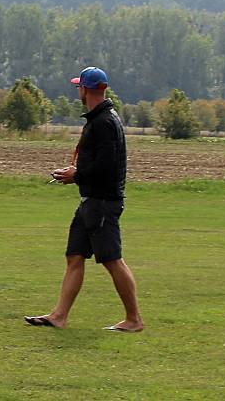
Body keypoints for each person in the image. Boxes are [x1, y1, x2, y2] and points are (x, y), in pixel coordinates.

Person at [24, 66, 144, 332]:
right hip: (90, 201)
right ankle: (59, 316)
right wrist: (78, 177)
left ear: (85, 90)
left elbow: (107, 165)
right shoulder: (99, 119)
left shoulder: (104, 123)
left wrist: (76, 175)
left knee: (112, 259)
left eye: (79, 86)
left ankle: (134, 319)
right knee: (75, 257)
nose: (78, 90)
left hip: (102, 203)